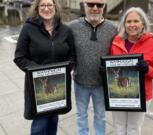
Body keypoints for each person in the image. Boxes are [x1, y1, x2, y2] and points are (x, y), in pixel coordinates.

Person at [13, 0, 76, 134]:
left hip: (58, 86)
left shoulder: (66, 30)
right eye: (43, 5)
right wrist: (39, 72)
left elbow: (72, 56)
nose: (46, 8)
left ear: (55, 7)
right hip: (37, 86)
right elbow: (19, 57)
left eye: (49, 5)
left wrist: (64, 71)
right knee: (40, 125)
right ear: (37, 8)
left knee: (53, 120)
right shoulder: (28, 28)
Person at [110, 7, 153, 135]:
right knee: (119, 128)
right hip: (119, 94)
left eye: (136, 21)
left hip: (141, 95)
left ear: (143, 24)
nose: (132, 25)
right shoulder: (116, 42)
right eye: (129, 22)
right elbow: (112, 66)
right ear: (124, 24)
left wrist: (148, 70)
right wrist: (107, 71)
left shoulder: (151, 43)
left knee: (133, 129)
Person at [69, 0, 117, 134]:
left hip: (101, 84)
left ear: (104, 7)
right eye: (90, 4)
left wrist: (149, 36)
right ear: (84, 6)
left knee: (100, 116)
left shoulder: (113, 28)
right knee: (81, 115)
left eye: (99, 5)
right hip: (80, 82)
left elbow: (129, 39)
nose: (95, 8)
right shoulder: (72, 27)